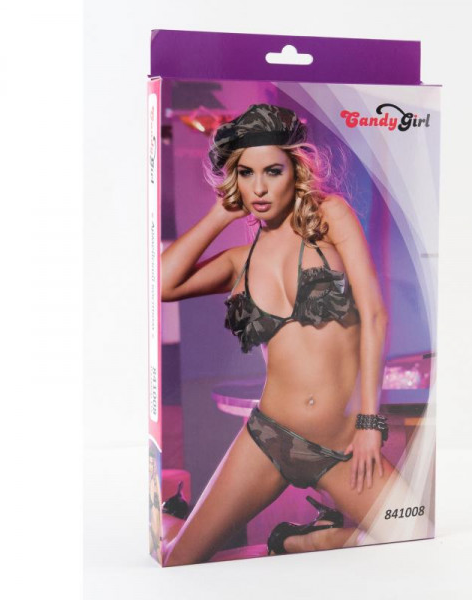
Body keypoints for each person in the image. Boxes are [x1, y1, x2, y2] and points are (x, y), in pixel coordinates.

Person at [160, 104, 405, 566]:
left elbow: (374, 316)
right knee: (177, 562)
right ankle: (173, 517)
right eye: (246, 173)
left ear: (295, 169)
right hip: (268, 437)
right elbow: (161, 284)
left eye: (272, 171)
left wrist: (370, 424)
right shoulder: (239, 261)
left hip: (340, 444)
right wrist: (218, 215)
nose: (259, 187)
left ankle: (302, 540)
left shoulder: (331, 216)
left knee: (414, 537)